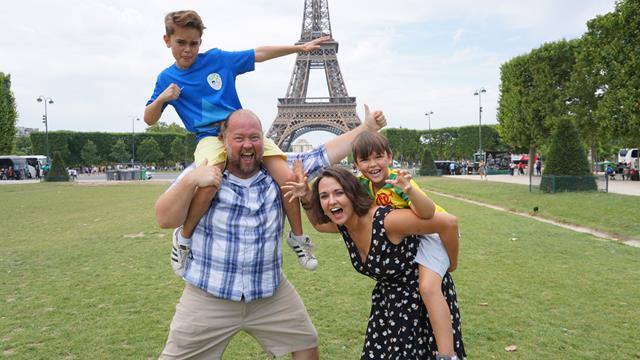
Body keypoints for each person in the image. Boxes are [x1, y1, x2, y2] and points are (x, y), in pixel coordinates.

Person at [155, 107, 386, 359]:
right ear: (223, 139)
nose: (248, 145)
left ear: (264, 140)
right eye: (239, 138)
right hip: (209, 295)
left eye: (254, 137)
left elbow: (323, 155)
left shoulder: (281, 171)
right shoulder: (204, 169)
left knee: (307, 345)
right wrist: (191, 180)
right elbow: (164, 218)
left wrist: (366, 128)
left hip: (269, 293)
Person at [145, 10, 329, 271]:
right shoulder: (166, 78)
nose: (188, 50)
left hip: (239, 131)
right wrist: (162, 98)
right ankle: (183, 238)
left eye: (194, 43)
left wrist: (299, 48)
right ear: (167, 40)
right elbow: (149, 118)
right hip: (209, 138)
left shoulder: (218, 60)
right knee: (208, 184)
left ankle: (297, 237)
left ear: (201, 42)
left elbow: (259, 53)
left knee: (287, 179)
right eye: (181, 43)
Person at [286, 167, 465, 360]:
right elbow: (319, 225)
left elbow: (448, 223)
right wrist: (305, 196)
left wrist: (451, 264)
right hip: (388, 307)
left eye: (339, 193)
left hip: (424, 305)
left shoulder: (387, 221)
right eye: (324, 196)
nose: (332, 201)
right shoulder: (344, 226)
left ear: (353, 194)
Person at [349, 131, 461, 358]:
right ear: (357, 164)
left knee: (428, 288)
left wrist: (409, 189)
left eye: (378, 156)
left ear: (389, 157)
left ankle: (449, 356)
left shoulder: (399, 180)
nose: (373, 164)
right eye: (365, 159)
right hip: (412, 236)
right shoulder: (362, 185)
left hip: (432, 234)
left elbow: (428, 213)